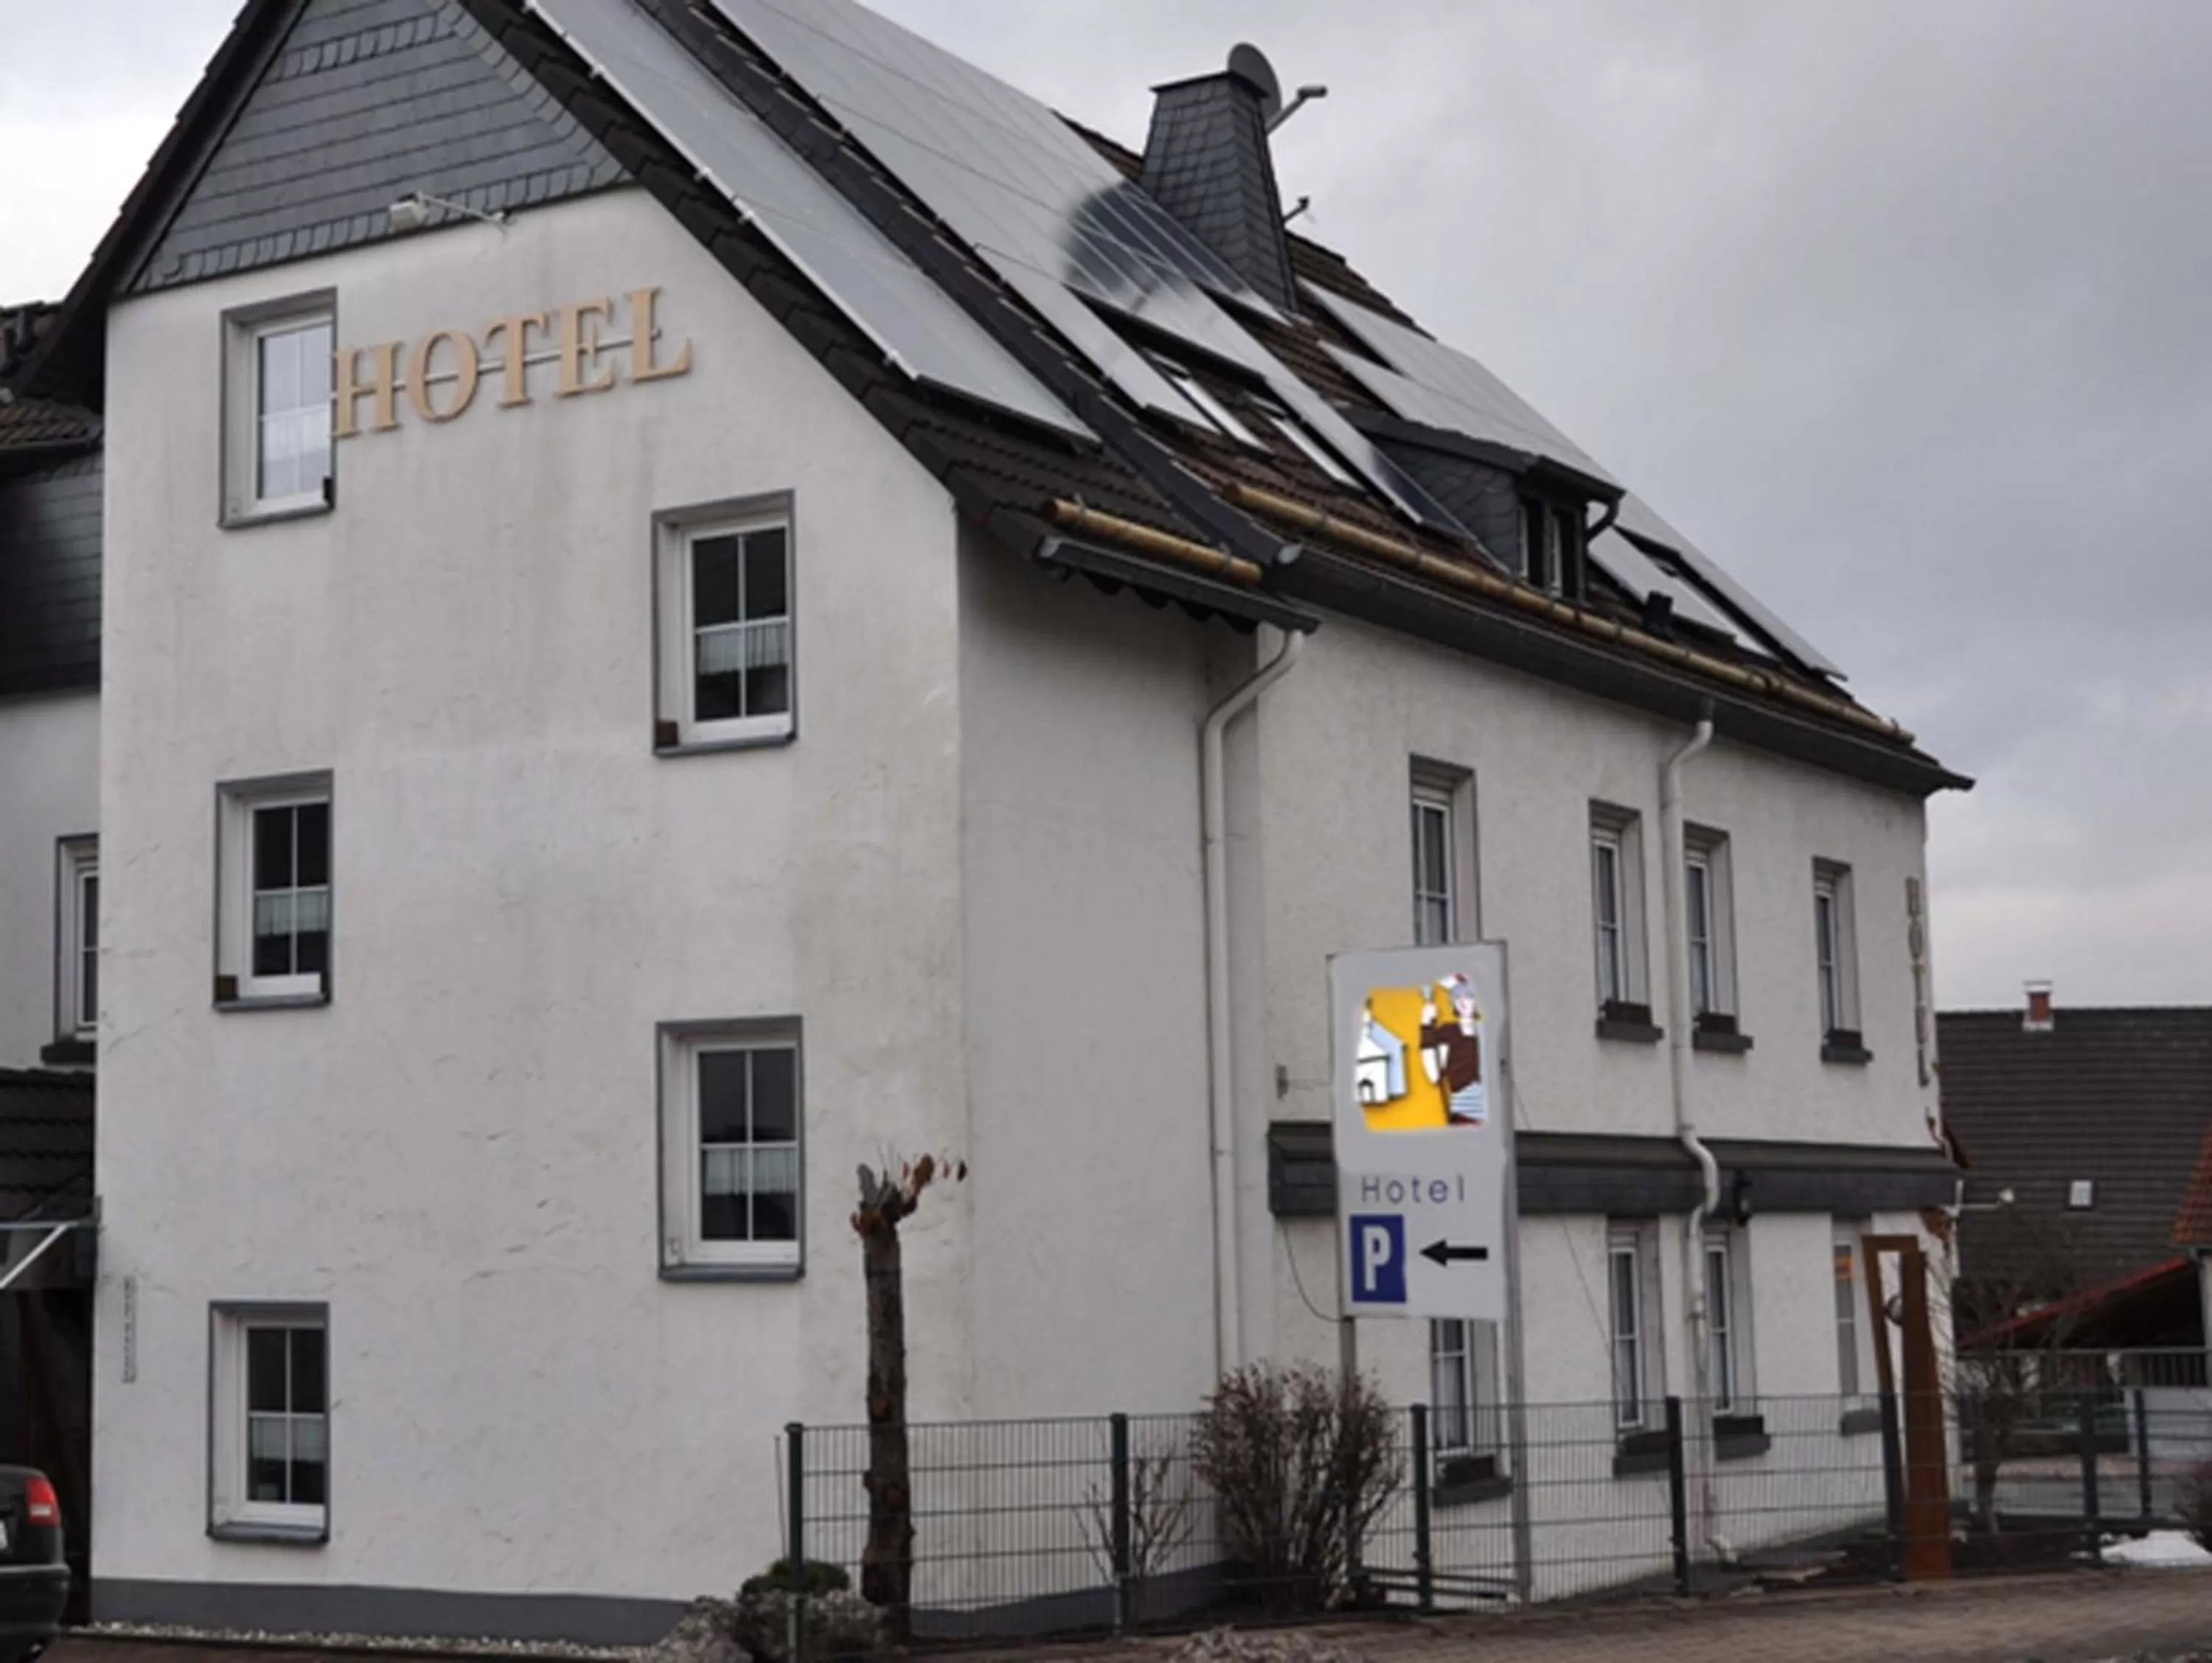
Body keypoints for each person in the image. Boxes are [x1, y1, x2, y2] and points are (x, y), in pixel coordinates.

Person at [1419, 975, 1485, 1126]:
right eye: (1457, 997)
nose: (1462, 1002)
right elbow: (1434, 1074)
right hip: (1465, 1113)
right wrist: (1426, 1025)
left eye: (1468, 997)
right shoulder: (1449, 1032)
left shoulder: (1485, 1031)